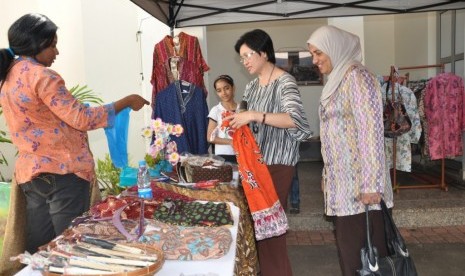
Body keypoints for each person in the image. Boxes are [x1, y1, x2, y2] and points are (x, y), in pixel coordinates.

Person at [0, 13, 149, 254]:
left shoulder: (8, 76)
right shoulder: (43, 77)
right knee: (72, 247)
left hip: (32, 176)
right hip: (62, 174)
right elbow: (82, 118)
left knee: (41, 248)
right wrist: (126, 101)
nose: (56, 52)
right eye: (52, 45)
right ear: (37, 45)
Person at [307, 25, 394, 276]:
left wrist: (370, 185)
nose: (315, 60)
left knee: (370, 260)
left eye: (318, 53)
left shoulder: (358, 77)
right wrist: (327, 176)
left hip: (362, 191)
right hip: (343, 187)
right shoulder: (338, 79)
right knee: (352, 256)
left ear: (335, 48)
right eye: (312, 54)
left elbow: (371, 133)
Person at [228, 29, 312, 276]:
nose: (244, 62)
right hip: (256, 165)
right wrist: (235, 119)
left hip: (277, 165)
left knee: (271, 230)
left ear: (264, 53)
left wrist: (255, 115)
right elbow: (244, 116)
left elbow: (296, 121)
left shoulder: (284, 82)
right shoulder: (252, 87)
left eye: (247, 55)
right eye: (241, 58)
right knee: (260, 229)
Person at [207, 74, 238, 163]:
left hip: (242, 154)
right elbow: (210, 137)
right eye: (219, 90)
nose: (223, 93)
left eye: (226, 88)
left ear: (233, 88)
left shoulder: (242, 109)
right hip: (223, 155)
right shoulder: (216, 110)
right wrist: (230, 142)